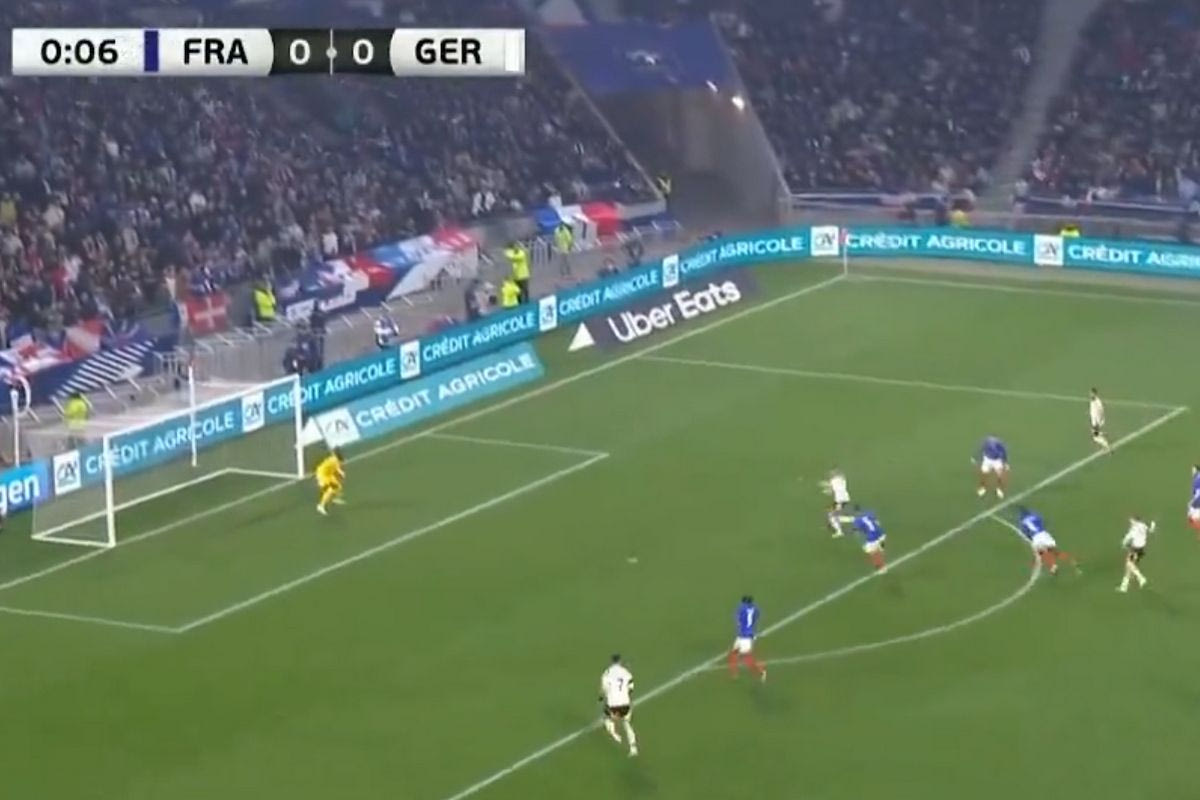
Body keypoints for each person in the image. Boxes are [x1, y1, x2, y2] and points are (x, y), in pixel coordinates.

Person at [1016, 507, 1079, 575]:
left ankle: (1053, 567)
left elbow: (1026, 533)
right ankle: (1072, 560)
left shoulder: (1023, 522)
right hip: (1044, 534)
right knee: (1055, 552)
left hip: (1036, 538)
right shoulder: (1036, 516)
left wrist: (1029, 537)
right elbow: (1043, 522)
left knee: (1041, 555)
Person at [599, 654, 638, 757]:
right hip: (625, 703)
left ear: (611, 662)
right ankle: (633, 748)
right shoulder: (626, 672)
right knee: (627, 724)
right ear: (620, 661)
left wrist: (601, 698)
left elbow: (604, 689)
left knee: (606, 718)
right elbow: (631, 688)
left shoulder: (607, 673)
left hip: (612, 704)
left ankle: (614, 734)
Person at [727, 595, 767, 681]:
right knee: (734, 653)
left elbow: (737, 617)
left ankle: (761, 672)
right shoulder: (755, 608)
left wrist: (739, 623)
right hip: (745, 635)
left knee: (746, 657)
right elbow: (757, 616)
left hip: (744, 636)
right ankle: (734, 674)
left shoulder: (741, 608)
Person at [1118, 515, 1153, 592]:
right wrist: (1153, 525)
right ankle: (1124, 587)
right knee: (1130, 567)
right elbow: (1150, 530)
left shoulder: (1134, 529)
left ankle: (1141, 578)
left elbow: (1128, 537)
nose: (1131, 523)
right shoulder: (1143, 526)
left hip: (1135, 548)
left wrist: (1123, 543)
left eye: (1132, 521)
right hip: (1141, 548)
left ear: (1135, 521)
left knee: (1129, 564)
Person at [852, 506, 887, 573]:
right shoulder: (869, 513)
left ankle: (881, 568)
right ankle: (881, 549)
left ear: (855, 512)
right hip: (881, 533)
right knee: (877, 550)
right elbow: (877, 522)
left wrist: (862, 543)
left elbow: (857, 532)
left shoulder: (857, 520)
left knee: (873, 553)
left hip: (872, 537)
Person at [822, 468, 852, 537]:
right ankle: (834, 526)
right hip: (844, 498)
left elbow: (829, 491)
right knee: (832, 513)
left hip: (840, 500)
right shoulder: (842, 480)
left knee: (833, 516)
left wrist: (825, 489)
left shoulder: (832, 481)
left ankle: (840, 530)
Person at [315, 448, 346, 515]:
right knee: (330, 490)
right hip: (322, 475)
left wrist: (340, 473)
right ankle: (321, 506)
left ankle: (334, 499)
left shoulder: (334, 459)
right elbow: (337, 469)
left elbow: (336, 469)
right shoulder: (335, 461)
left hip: (328, 474)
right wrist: (341, 473)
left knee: (338, 487)